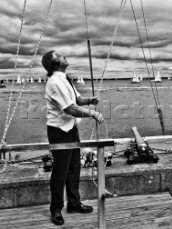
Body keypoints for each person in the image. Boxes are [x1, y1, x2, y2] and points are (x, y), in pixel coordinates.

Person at [41, 50, 104, 226]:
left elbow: (77, 99)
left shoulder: (65, 79)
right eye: (59, 55)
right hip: (59, 131)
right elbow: (70, 109)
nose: (64, 56)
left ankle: (74, 203)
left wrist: (89, 100)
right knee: (60, 171)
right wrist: (92, 113)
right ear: (54, 63)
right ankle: (56, 209)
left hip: (70, 129)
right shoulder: (54, 81)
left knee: (75, 167)